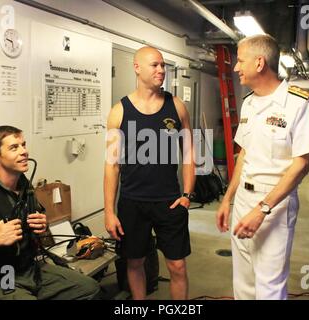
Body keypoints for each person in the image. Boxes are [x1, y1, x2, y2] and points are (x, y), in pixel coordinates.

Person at [216, 34, 309, 300]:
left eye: (240, 61)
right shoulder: (249, 102)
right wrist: (228, 199)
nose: (236, 67)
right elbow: (245, 154)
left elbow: (301, 165)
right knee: (243, 283)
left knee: (269, 288)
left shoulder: (300, 103)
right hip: (242, 201)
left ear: (259, 63)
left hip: (274, 205)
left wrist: (262, 209)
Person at [0, 126, 100, 300]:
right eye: (14, 147)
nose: (24, 152)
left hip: (29, 268)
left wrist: (41, 224)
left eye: (24, 145)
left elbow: (34, 224)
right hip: (2, 277)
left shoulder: (24, 185)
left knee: (89, 289)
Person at [104, 46, 195, 300]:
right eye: (155, 65)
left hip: (170, 201)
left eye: (163, 65)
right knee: (135, 263)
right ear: (137, 68)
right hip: (133, 202)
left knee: (177, 266)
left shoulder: (176, 106)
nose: (161, 70)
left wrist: (187, 194)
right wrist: (109, 211)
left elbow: (189, 154)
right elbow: (111, 165)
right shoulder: (119, 111)